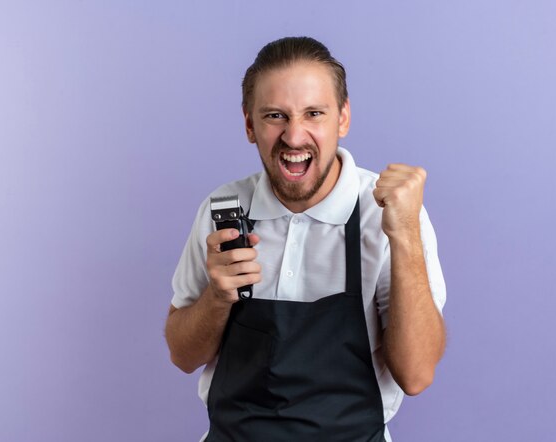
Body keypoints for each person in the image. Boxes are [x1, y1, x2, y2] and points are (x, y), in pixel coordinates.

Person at [165, 36, 447, 442]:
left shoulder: (386, 212)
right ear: (249, 125)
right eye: (275, 116)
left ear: (343, 119)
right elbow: (182, 356)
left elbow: (417, 374)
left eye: (314, 113)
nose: (294, 137)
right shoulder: (222, 209)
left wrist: (404, 235)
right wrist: (217, 297)